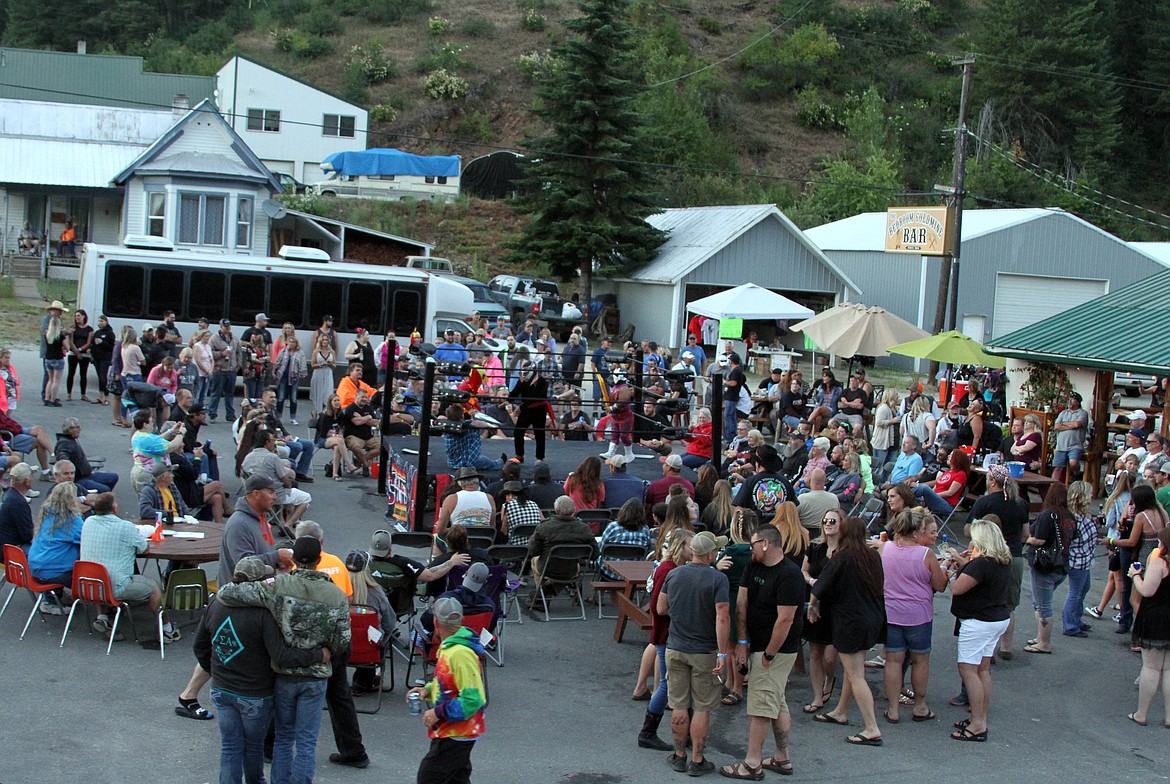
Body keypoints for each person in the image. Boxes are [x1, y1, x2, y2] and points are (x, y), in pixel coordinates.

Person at [216, 537, 350, 784]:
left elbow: (228, 592)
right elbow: (343, 641)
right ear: (319, 560)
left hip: (285, 673)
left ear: (295, 560)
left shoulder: (277, 586)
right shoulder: (337, 596)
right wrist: (324, 651)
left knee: (284, 737)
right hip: (316, 675)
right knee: (307, 741)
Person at [194, 555, 330, 784]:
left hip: (222, 690)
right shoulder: (263, 612)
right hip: (255, 693)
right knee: (253, 747)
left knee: (229, 747)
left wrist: (216, 672)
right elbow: (282, 656)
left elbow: (200, 646)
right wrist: (319, 655)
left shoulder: (216, 604)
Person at [722, 525, 805, 779]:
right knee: (776, 702)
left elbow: (786, 620)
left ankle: (752, 762)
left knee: (760, 707)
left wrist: (768, 654)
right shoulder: (754, 565)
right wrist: (743, 642)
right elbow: (742, 603)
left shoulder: (790, 575)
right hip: (757, 646)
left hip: (777, 651)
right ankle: (782, 758)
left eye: (753, 544)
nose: (750, 548)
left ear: (767, 543)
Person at [657, 531, 731, 776]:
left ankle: (679, 756)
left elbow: (661, 607)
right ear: (710, 554)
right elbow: (722, 616)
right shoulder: (718, 579)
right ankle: (697, 760)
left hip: (676, 647)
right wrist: (723, 653)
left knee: (678, 704)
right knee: (701, 707)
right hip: (704, 651)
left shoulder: (674, 574)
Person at [808, 516, 885, 745]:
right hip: (872, 617)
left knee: (855, 675)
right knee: (855, 669)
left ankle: (871, 727)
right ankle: (840, 711)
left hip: (849, 621)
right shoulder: (872, 556)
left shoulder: (841, 558)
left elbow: (820, 586)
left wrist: (812, 606)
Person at [945, 520, 1014, 742]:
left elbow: (957, 588)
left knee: (968, 670)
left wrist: (951, 572)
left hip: (978, 622)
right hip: (997, 619)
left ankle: (977, 725)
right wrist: (964, 563)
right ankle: (980, 716)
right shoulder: (1001, 561)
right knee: (982, 669)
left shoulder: (981, 564)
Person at [406, 597, 487, 784]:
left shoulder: (459, 653)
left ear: (436, 622)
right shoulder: (451, 647)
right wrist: (428, 689)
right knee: (456, 779)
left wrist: (437, 712)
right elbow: (449, 684)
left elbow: (473, 699)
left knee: (429, 777)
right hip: (455, 730)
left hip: (457, 732)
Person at [80, 492, 181, 643]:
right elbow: (144, 549)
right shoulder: (125, 527)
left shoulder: (88, 522)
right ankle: (168, 629)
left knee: (101, 569)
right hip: (115, 587)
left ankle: (103, 617)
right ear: (114, 509)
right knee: (154, 588)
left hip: (88, 585)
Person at [877, 508, 947, 723]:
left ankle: (893, 708)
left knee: (893, 661)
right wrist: (945, 570)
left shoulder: (885, 549)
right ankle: (920, 705)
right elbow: (940, 585)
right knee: (920, 659)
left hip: (891, 612)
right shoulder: (925, 554)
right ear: (917, 532)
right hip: (919, 614)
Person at [967, 464, 1028, 658]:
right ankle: (1006, 648)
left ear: (992, 481)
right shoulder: (1020, 503)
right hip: (1014, 557)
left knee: (989, 603)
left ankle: (989, 651)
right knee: (1009, 605)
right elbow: (1026, 535)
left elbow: (969, 529)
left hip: (988, 556)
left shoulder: (984, 502)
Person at [637, 529, 690, 750]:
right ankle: (648, 732)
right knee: (668, 683)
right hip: (666, 633)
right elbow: (658, 607)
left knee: (675, 683)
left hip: (668, 633)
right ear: (680, 547)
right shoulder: (668, 570)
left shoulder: (672, 568)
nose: (693, 549)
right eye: (690, 545)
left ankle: (679, 732)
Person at [1108, 482, 1168, 635]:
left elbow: (1132, 542)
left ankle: (1142, 631)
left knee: (1134, 598)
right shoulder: (1162, 512)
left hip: (1143, 559)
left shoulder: (1142, 516)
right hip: (1160, 555)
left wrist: (1110, 541)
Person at [1024, 483, 1076, 653]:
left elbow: (1039, 540)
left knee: (1043, 606)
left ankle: (1044, 642)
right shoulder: (1069, 516)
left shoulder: (1047, 515)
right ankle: (1040, 637)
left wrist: (1025, 538)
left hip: (1044, 564)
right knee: (1040, 602)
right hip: (1061, 564)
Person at [1127, 527, 1170, 726]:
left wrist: (1135, 575)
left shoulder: (1160, 563)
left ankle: (1142, 713)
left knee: (1152, 667)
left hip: (1156, 617)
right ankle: (1169, 716)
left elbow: (1147, 590)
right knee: (1169, 670)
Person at [524, 496, 597, 608]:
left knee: (534, 561)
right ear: (574, 510)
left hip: (547, 568)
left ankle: (541, 598)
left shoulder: (544, 527)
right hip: (571, 569)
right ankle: (545, 594)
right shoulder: (584, 528)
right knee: (567, 567)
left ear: (556, 510)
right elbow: (594, 554)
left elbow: (532, 551)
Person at [26, 483, 85, 612]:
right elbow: (87, 539)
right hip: (52, 573)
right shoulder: (71, 520)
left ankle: (52, 598)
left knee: (58, 553)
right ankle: (106, 609)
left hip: (36, 569)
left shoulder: (47, 513)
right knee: (92, 575)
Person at [240, 428, 311, 528]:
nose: (274, 443)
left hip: (252, 495)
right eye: (273, 440)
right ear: (267, 442)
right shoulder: (272, 458)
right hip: (272, 495)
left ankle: (279, 519)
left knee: (277, 485)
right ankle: (288, 523)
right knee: (306, 497)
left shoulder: (248, 457)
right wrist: (288, 486)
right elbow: (285, 480)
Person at [1088, 470, 1134, 622]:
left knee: (1117, 576)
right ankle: (1100, 608)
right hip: (1128, 539)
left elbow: (1110, 522)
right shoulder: (1133, 499)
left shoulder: (1116, 498)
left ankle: (1122, 609)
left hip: (1114, 539)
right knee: (1113, 577)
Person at [1060, 481, 1098, 638]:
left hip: (1084, 558)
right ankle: (1070, 624)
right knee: (1075, 592)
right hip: (1077, 560)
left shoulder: (1080, 515)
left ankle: (1076, 619)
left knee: (1083, 588)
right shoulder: (1073, 518)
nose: (1092, 496)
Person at [54, 417, 119, 494]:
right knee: (105, 489)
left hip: (88, 475)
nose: (79, 430)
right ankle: (98, 500)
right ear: (69, 429)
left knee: (113, 477)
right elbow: (62, 455)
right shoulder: (64, 443)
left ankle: (100, 497)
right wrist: (68, 467)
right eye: (77, 427)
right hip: (79, 479)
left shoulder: (71, 440)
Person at [734, 445, 796, 519]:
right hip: (780, 527)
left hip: (755, 527)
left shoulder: (750, 481)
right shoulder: (785, 482)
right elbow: (794, 506)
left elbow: (739, 508)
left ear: (758, 463)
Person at [597, 499, 653, 580]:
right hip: (634, 572)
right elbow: (648, 548)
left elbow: (601, 549)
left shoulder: (613, 527)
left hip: (610, 571)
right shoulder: (645, 529)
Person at [436, 467, 497, 541]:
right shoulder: (489, 498)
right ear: (477, 482)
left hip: (457, 543)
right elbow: (492, 527)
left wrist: (451, 530)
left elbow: (440, 530)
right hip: (482, 542)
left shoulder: (451, 499)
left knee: (436, 540)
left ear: (460, 483)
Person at [510, 361, 553, 463]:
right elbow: (515, 392)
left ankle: (540, 457)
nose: (524, 375)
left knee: (539, 433)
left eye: (526, 372)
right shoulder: (522, 379)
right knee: (518, 431)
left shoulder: (541, 381)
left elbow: (535, 397)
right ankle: (519, 455)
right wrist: (507, 400)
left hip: (538, 409)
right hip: (526, 409)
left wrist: (520, 408)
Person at [911, 448, 969, 517]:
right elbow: (935, 488)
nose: (948, 456)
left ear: (957, 459)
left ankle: (906, 494)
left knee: (924, 488)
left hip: (947, 504)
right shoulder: (947, 472)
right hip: (935, 499)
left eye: (951, 455)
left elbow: (949, 493)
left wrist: (931, 495)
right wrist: (929, 495)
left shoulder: (961, 474)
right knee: (913, 499)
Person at [316, 394, 360, 480]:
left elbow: (341, 428)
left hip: (335, 439)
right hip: (323, 439)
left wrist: (340, 434)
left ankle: (335, 474)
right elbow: (324, 433)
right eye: (334, 401)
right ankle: (349, 464)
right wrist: (336, 436)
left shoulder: (340, 415)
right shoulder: (324, 415)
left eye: (338, 400)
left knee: (337, 447)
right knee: (339, 441)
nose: (337, 403)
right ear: (330, 403)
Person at [208, 319, 242, 423]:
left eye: (228, 326)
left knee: (230, 394)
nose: (227, 328)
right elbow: (210, 353)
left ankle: (230, 414)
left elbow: (239, 352)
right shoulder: (214, 339)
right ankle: (212, 414)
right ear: (221, 327)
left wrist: (238, 365)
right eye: (225, 326)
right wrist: (221, 354)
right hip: (219, 370)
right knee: (216, 393)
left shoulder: (234, 338)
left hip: (231, 370)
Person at [1052, 392, 1089, 483]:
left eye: (1072, 400)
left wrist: (1063, 424)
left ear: (1078, 402)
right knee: (1057, 468)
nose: (1070, 402)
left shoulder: (1083, 413)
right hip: (1061, 445)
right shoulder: (1063, 413)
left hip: (1075, 445)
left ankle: (1077, 474)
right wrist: (1070, 425)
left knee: (1073, 462)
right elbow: (1056, 426)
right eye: (1070, 400)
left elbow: (1077, 424)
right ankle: (1052, 487)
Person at [342, 388, 380, 474]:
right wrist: (367, 417)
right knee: (356, 448)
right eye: (362, 397)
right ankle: (366, 465)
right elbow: (356, 422)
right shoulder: (350, 408)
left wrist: (361, 418)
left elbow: (375, 422)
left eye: (366, 397)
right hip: (353, 436)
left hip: (368, 437)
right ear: (356, 396)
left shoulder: (369, 408)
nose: (364, 399)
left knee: (383, 447)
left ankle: (359, 461)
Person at [0, 463, 35, 551]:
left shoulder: (7, 495)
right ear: (27, 481)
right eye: (31, 476)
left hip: (4, 545)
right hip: (13, 549)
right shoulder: (18, 503)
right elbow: (28, 535)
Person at [273, 336, 307, 425]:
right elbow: (278, 361)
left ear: (296, 344)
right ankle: (278, 417)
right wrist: (274, 370)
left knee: (293, 398)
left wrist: (300, 374)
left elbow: (302, 364)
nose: (291, 344)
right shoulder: (283, 351)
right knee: (280, 397)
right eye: (290, 342)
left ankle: (293, 418)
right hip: (283, 376)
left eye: (293, 342)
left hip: (294, 377)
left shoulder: (300, 353)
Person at [64, 309, 93, 401]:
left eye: (79, 316)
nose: (77, 318)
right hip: (73, 353)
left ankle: (83, 394)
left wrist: (81, 350)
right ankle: (69, 393)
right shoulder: (73, 328)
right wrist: (77, 352)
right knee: (71, 373)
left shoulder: (89, 329)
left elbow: (89, 342)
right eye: (76, 316)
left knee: (83, 374)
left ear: (84, 316)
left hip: (84, 354)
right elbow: (71, 342)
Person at [89, 315, 116, 406]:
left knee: (103, 377)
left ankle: (106, 396)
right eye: (99, 321)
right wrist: (91, 351)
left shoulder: (110, 333)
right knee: (99, 377)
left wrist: (102, 342)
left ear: (106, 322)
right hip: (97, 358)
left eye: (102, 321)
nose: (100, 323)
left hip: (105, 357)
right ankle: (100, 396)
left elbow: (112, 347)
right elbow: (92, 344)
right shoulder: (97, 332)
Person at [310, 334, 338, 417]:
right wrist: (322, 364)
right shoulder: (316, 351)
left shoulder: (332, 352)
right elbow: (312, 365)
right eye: (323, 340)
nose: (325, 342)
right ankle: (316, 412)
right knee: (318, 395)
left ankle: (326, 413)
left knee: (328, 394)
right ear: (320, 341)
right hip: (318, 374)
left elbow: (334, 365)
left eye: (326, 340)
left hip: (328, 374)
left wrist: (330, 364)